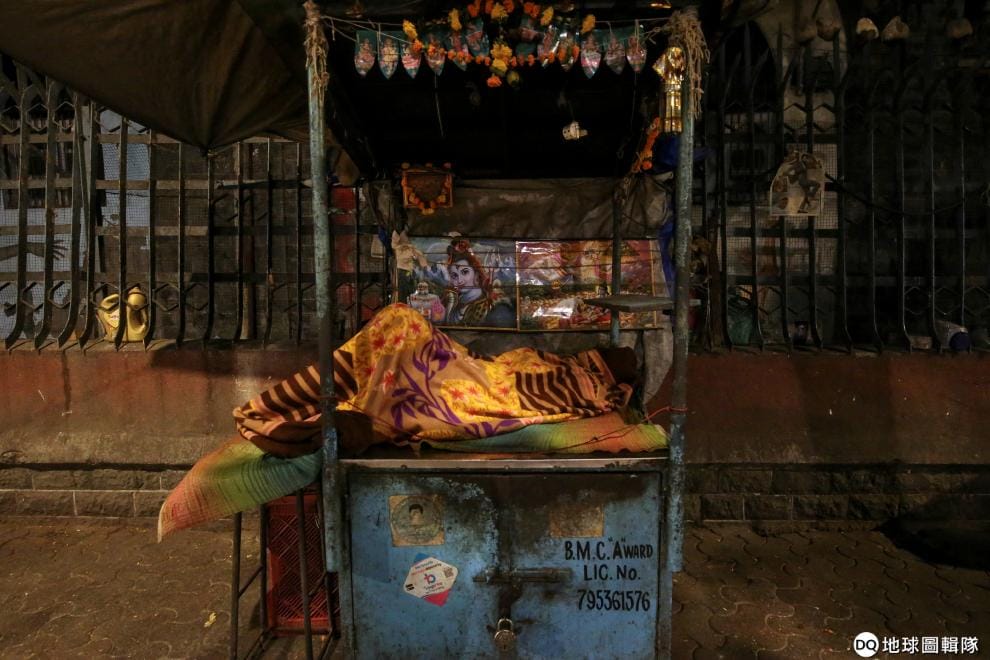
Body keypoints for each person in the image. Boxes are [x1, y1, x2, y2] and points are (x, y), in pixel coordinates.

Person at [442, 238, 514, 327]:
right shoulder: (453, 299)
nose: (459, 280)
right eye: (454, 275)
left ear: (476, 274)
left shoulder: (488, 306)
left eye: (465, 272)